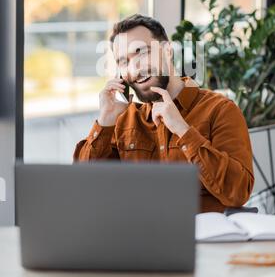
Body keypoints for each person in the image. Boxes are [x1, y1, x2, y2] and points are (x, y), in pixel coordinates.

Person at [74, 14, 254, 212]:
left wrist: (183, 130)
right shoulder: (123, 119)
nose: (135, 69)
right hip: (141, 238)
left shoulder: (220, 110)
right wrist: (105, 121)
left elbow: (238, 192)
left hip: (203, 238)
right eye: (123, 61)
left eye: (142, 53)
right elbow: (84, 190)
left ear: (167, 51)